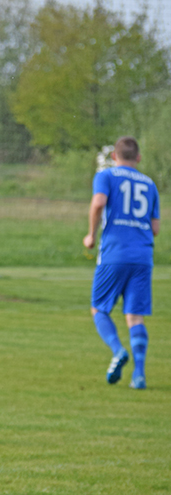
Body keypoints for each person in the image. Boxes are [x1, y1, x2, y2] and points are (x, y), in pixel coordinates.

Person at [83, 136, 159, 389]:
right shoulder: (149, 184)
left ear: (114, 156)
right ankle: (139, 375)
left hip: (115, 253)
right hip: (142, 257)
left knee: (99, 309)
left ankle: (117, 351)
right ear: (138, 158)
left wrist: (91, 234)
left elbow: (99, 203)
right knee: (135, 317)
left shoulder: (106, 176)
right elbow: (155, 227)